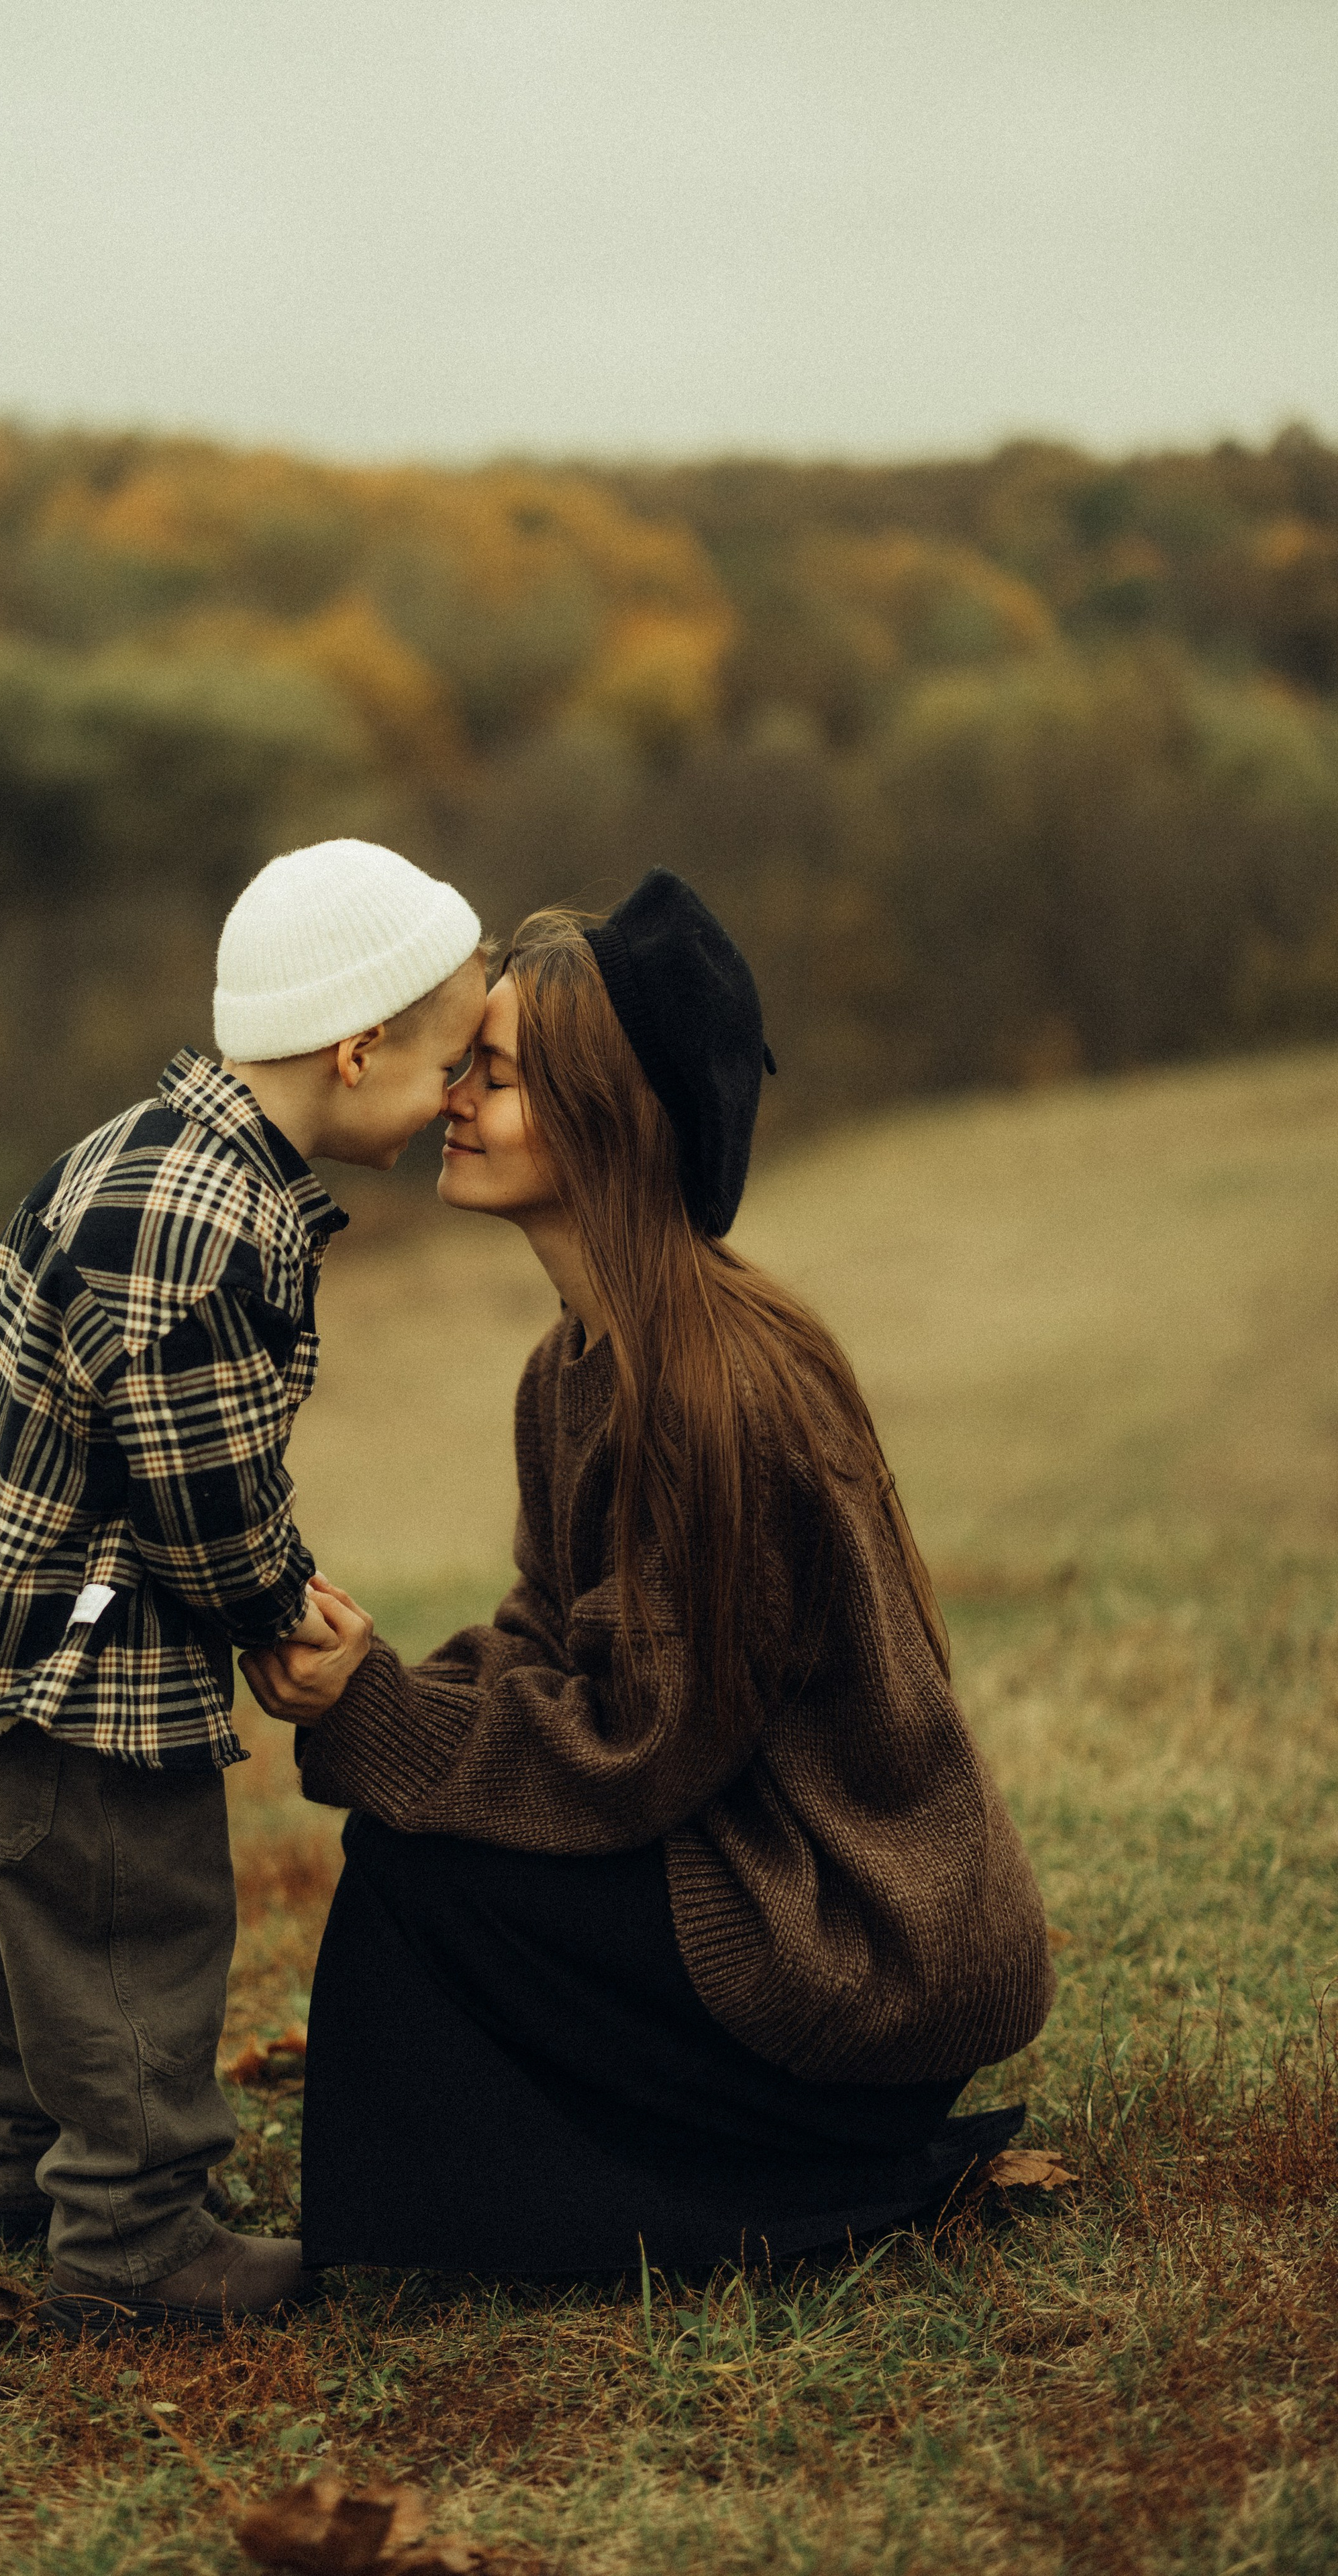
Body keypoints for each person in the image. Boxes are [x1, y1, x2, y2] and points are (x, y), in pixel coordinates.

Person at [244, 869, 1056, 2278]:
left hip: (855, 1955)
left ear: (600, 1116)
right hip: (753, 1880)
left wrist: (381, 1715)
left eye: (488, 1075)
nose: (447, 1097)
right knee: (428, 1837)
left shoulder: (712, 1394)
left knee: (421, 1868)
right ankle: (532, 2192)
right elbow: (552, 1644)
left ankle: (734, 2187)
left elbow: (638, 1752)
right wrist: (376, 1675)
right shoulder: (571, 1368)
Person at [0, 837, 487, 2332]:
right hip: (86, 1658)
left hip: (6, 1634)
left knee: (34, 1921)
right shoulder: (201, 1231)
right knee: (132, 1924)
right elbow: (203, 1501)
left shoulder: (153, 1153)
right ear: (357, 1048)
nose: (458, 1097)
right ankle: (135, 2239)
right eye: (450, 1063)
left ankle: (16, 2168)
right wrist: (273, 1611)